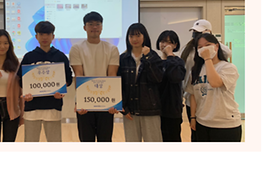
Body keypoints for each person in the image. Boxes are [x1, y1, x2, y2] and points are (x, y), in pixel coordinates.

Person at [17, 21, 73, 142]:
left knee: (54, 142)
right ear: (36, 36)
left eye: (48, 34)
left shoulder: (60, 56)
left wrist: (61, 90)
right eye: (41, 34)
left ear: (53, 36)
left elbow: (68, 79)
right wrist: (26, 93)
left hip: (53, 106)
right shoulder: (29, 57)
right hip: (32, 107)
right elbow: (21, 80)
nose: (45, 37)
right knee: (30, 142)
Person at [69, 11, 119, 142]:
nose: (94, 27)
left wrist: (114, 102)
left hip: (106, 101)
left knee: (105, 139)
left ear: (102, 27)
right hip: (86, 101)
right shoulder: (76, 48)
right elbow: (79, 75)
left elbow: (112, 75)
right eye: (90, 24)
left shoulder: (112, 49)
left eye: (97, 24)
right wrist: (79, 101)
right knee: (86, 140)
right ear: (84, 27)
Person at [181, 19, 232, 142]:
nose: (195, 35)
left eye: (199, 32)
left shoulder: (214, 50)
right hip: (191, 95)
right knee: (196, 133)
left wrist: (210, 40)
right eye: (194, 32)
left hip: (209, 95)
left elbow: (227, 53)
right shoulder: (188, 49)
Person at [187, 33, 241, 142]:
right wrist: (193, 118)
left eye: (208, 45)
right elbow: (193, 95)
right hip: (202, 122)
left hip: (226, 124)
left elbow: (215, 82)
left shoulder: (228, 67)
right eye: (200, 47)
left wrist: (207, 59)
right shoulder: (196, 70)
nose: (204, 49)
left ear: (216, 46)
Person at [118, 23, 163, 142]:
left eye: (138, 35)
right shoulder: (123, 58)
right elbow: (119, 85)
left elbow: (157, 78)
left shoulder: (153, 56)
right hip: (130, 110)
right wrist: (123, 108)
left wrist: (147, 58)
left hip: (150, 109)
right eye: (131, 36)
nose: (134, 39)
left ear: (144, 36)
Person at [156, 30, 185, 142]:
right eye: (163, 41)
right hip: (156, 109)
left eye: (169, 42)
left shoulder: (178, 62)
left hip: (172, 110)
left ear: (175, 45)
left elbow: (175, 77)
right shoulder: (155, 61)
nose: (165, 44)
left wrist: (170, 55)